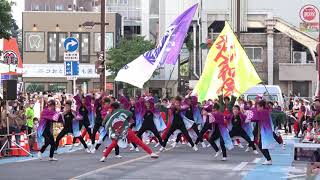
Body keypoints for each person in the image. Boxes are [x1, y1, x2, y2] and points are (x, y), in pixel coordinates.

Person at [251, 100, 275, 165]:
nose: (257, 109)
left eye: (258, 107)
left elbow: (255, 116)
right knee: (260, 144)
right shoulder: (264, 111)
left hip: (264, 131)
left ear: (262, 107)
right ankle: (268, 159)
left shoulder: (264, 112)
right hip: (262, 130)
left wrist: (249, 114)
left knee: (261, 145)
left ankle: (268, 159)